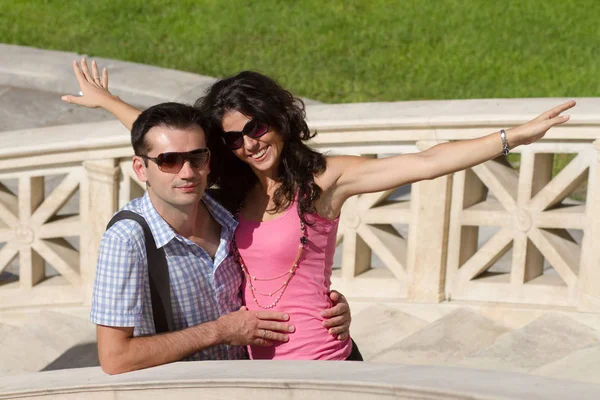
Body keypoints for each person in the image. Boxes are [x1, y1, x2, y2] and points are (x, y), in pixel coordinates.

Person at [63, 59, 574, 361]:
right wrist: (110, 103)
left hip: (321, 358)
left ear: (277, 118)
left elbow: (426, 161)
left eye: (257, 127)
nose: (249, 144)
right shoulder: (231, 185)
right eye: (234, 138)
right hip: (253, 361)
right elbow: (173, 150)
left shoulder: (324, 181)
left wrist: (513, 137)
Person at [85, 101, 352, 375]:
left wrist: (325, 303)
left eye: (197, 157)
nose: (187, 172)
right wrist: (219, 331)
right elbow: (115, 358)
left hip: (254, 380)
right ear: (141, 169)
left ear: (209, 161)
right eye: (169, 161)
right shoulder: (128, 239)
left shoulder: (229, 209)